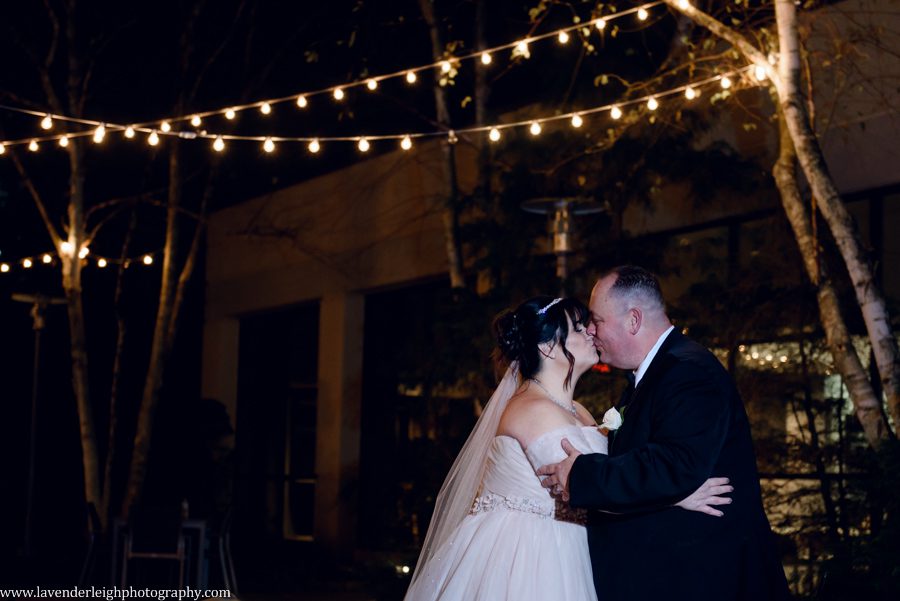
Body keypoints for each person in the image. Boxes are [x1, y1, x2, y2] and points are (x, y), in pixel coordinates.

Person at [404, 295, 730, 601]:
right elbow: (585, 489)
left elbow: (607, 477)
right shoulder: (533, 410)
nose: (590, 332)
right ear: (547, 347)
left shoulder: (579, 411)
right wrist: (675, 496)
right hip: (531, 556)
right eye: (577, 328)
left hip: (573, 546)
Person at [538, 266, 791, 600]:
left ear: (633, 320)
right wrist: (675, 496)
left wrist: (581, 474)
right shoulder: (655, 374)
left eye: (597, 320)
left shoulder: (689, 372)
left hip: (705, 576)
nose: (591, 330)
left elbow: (673, 464)